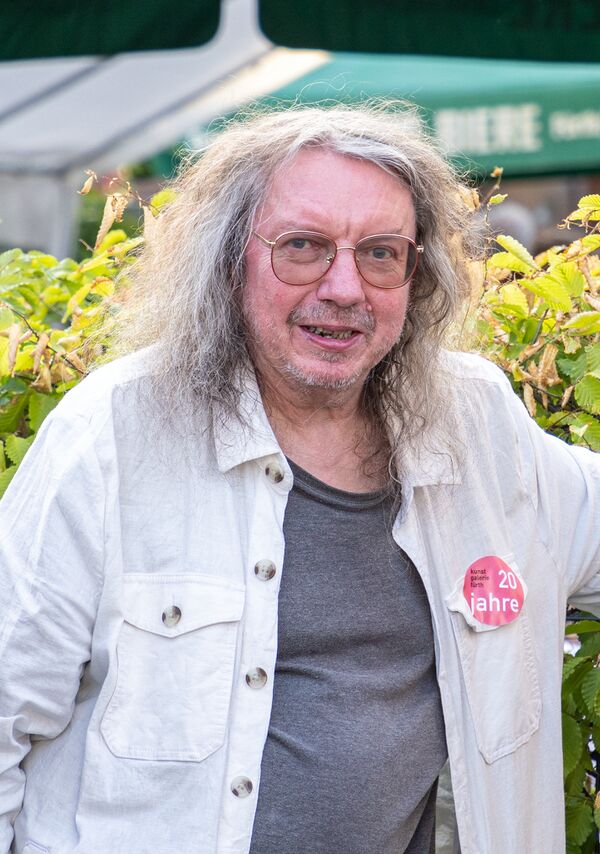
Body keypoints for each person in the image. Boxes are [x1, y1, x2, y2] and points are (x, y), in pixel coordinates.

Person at [0, 103, 598, 854]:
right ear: (230, 259)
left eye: (381, 253)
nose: (345, 288)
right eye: (303, 247)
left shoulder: (477, 426)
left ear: (417, 276)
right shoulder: (113, 434)